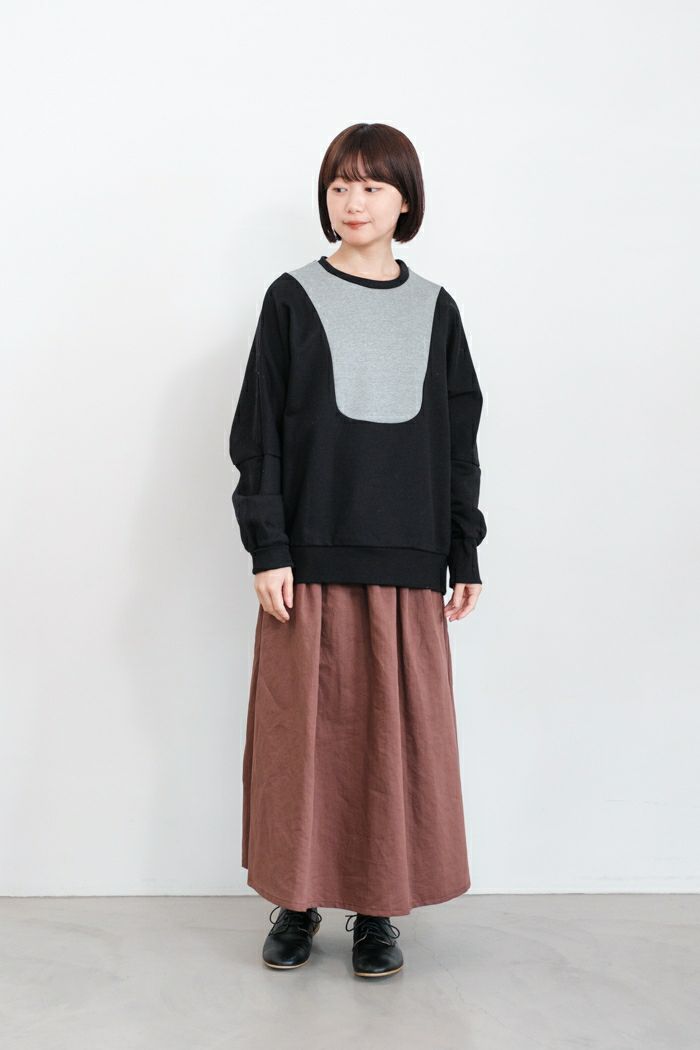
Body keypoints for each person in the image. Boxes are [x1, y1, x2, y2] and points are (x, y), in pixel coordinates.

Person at [228, 122, 487, 979]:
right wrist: (268, 546)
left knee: (390, 747)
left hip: (408, 560)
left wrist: (464, 551)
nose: (353, 201)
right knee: (302, 743)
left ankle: (378, 911)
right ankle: (296, 903)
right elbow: (259, 433)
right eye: (340, 185)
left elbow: (458, 443)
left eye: (372, 185)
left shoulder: (436, 309)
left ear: (405, 200)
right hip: (309, 558)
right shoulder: (291, 298)